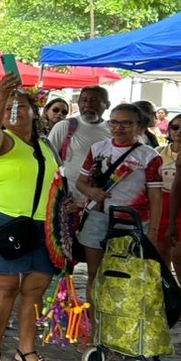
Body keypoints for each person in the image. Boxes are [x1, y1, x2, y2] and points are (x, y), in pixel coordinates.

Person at [0, 76, 60, 361]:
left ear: (34, 111)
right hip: (6, 223)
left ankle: (26, 349)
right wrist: (1, 97)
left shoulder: (45, 145)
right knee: (6, 287)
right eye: (10, 106)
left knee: (36, 288)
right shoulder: (1, 141)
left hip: (44, 226)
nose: (16, 110)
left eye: (21, 105)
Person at [75, 103, 162, 305]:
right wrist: (91, 192)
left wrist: (154, 231)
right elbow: (81, 182)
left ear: (139, 126)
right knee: (94, 274)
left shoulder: (150, 156)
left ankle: (119, 324)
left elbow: (155, 196)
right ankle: (95, 325)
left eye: (126, 123)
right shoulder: (97, 149)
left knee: (126, 274)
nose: (118, 128)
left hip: (132, 222)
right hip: (97, 219)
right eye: (114, 122)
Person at [47, 85, 111, 278]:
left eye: (94, 100)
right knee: (65, 254)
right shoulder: (66, 126)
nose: (87, 105)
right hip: (68, 203)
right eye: (83, 100)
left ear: (105, 105)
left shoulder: (110, 129)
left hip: (97, 205)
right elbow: (50, 160)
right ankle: (63, 298)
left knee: (94, 256)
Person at [154, 113, 181, 270]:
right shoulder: (158, 151)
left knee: (179, 253)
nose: (180, 131)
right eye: (175, 127)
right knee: (161, 250)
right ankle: (168, 289)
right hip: (162, 203)